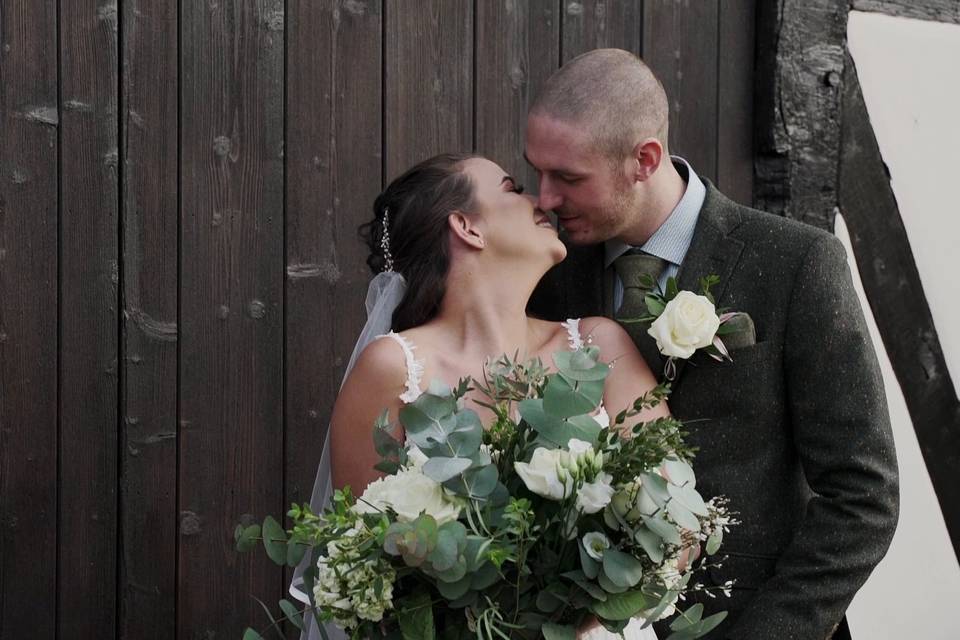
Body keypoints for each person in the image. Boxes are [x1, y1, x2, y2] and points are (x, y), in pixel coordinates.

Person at [524, 49, 900, 639]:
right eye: (536, 172)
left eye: (569, 178)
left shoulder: (796, 263)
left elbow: (863, 495)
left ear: (643, 159)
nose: (544, 199)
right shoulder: (549, 276)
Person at [291, 152, 670, 640]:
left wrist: (568, 611)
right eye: (512, 188)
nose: (540, 200)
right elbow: (362, 565)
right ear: (467, 226)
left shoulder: (600, 345)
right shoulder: (392, 370)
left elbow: (672, 521)